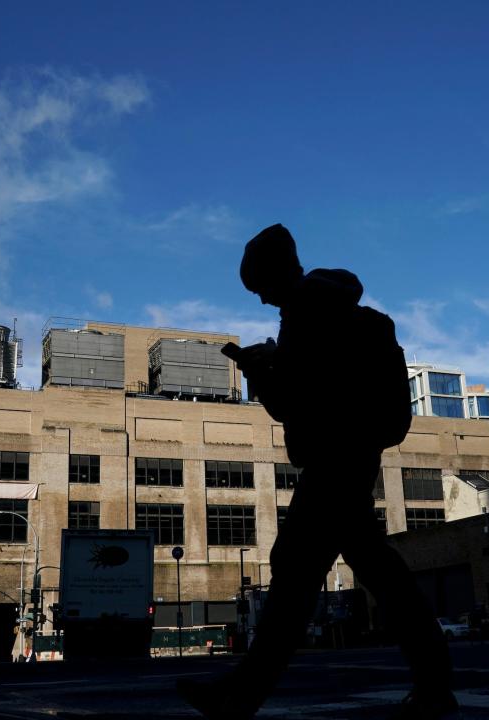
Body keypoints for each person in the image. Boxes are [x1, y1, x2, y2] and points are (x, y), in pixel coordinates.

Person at [178, 224, 460, 720]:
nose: (262, 300)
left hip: (333, 460)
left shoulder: (305, 316)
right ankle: (434, 684)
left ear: (276, 273)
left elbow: (295, 404)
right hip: (353, 455)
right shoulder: (336, 309)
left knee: (294, 574)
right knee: (376, 571)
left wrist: (261, 372)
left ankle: (240, 696)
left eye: (260, 287)